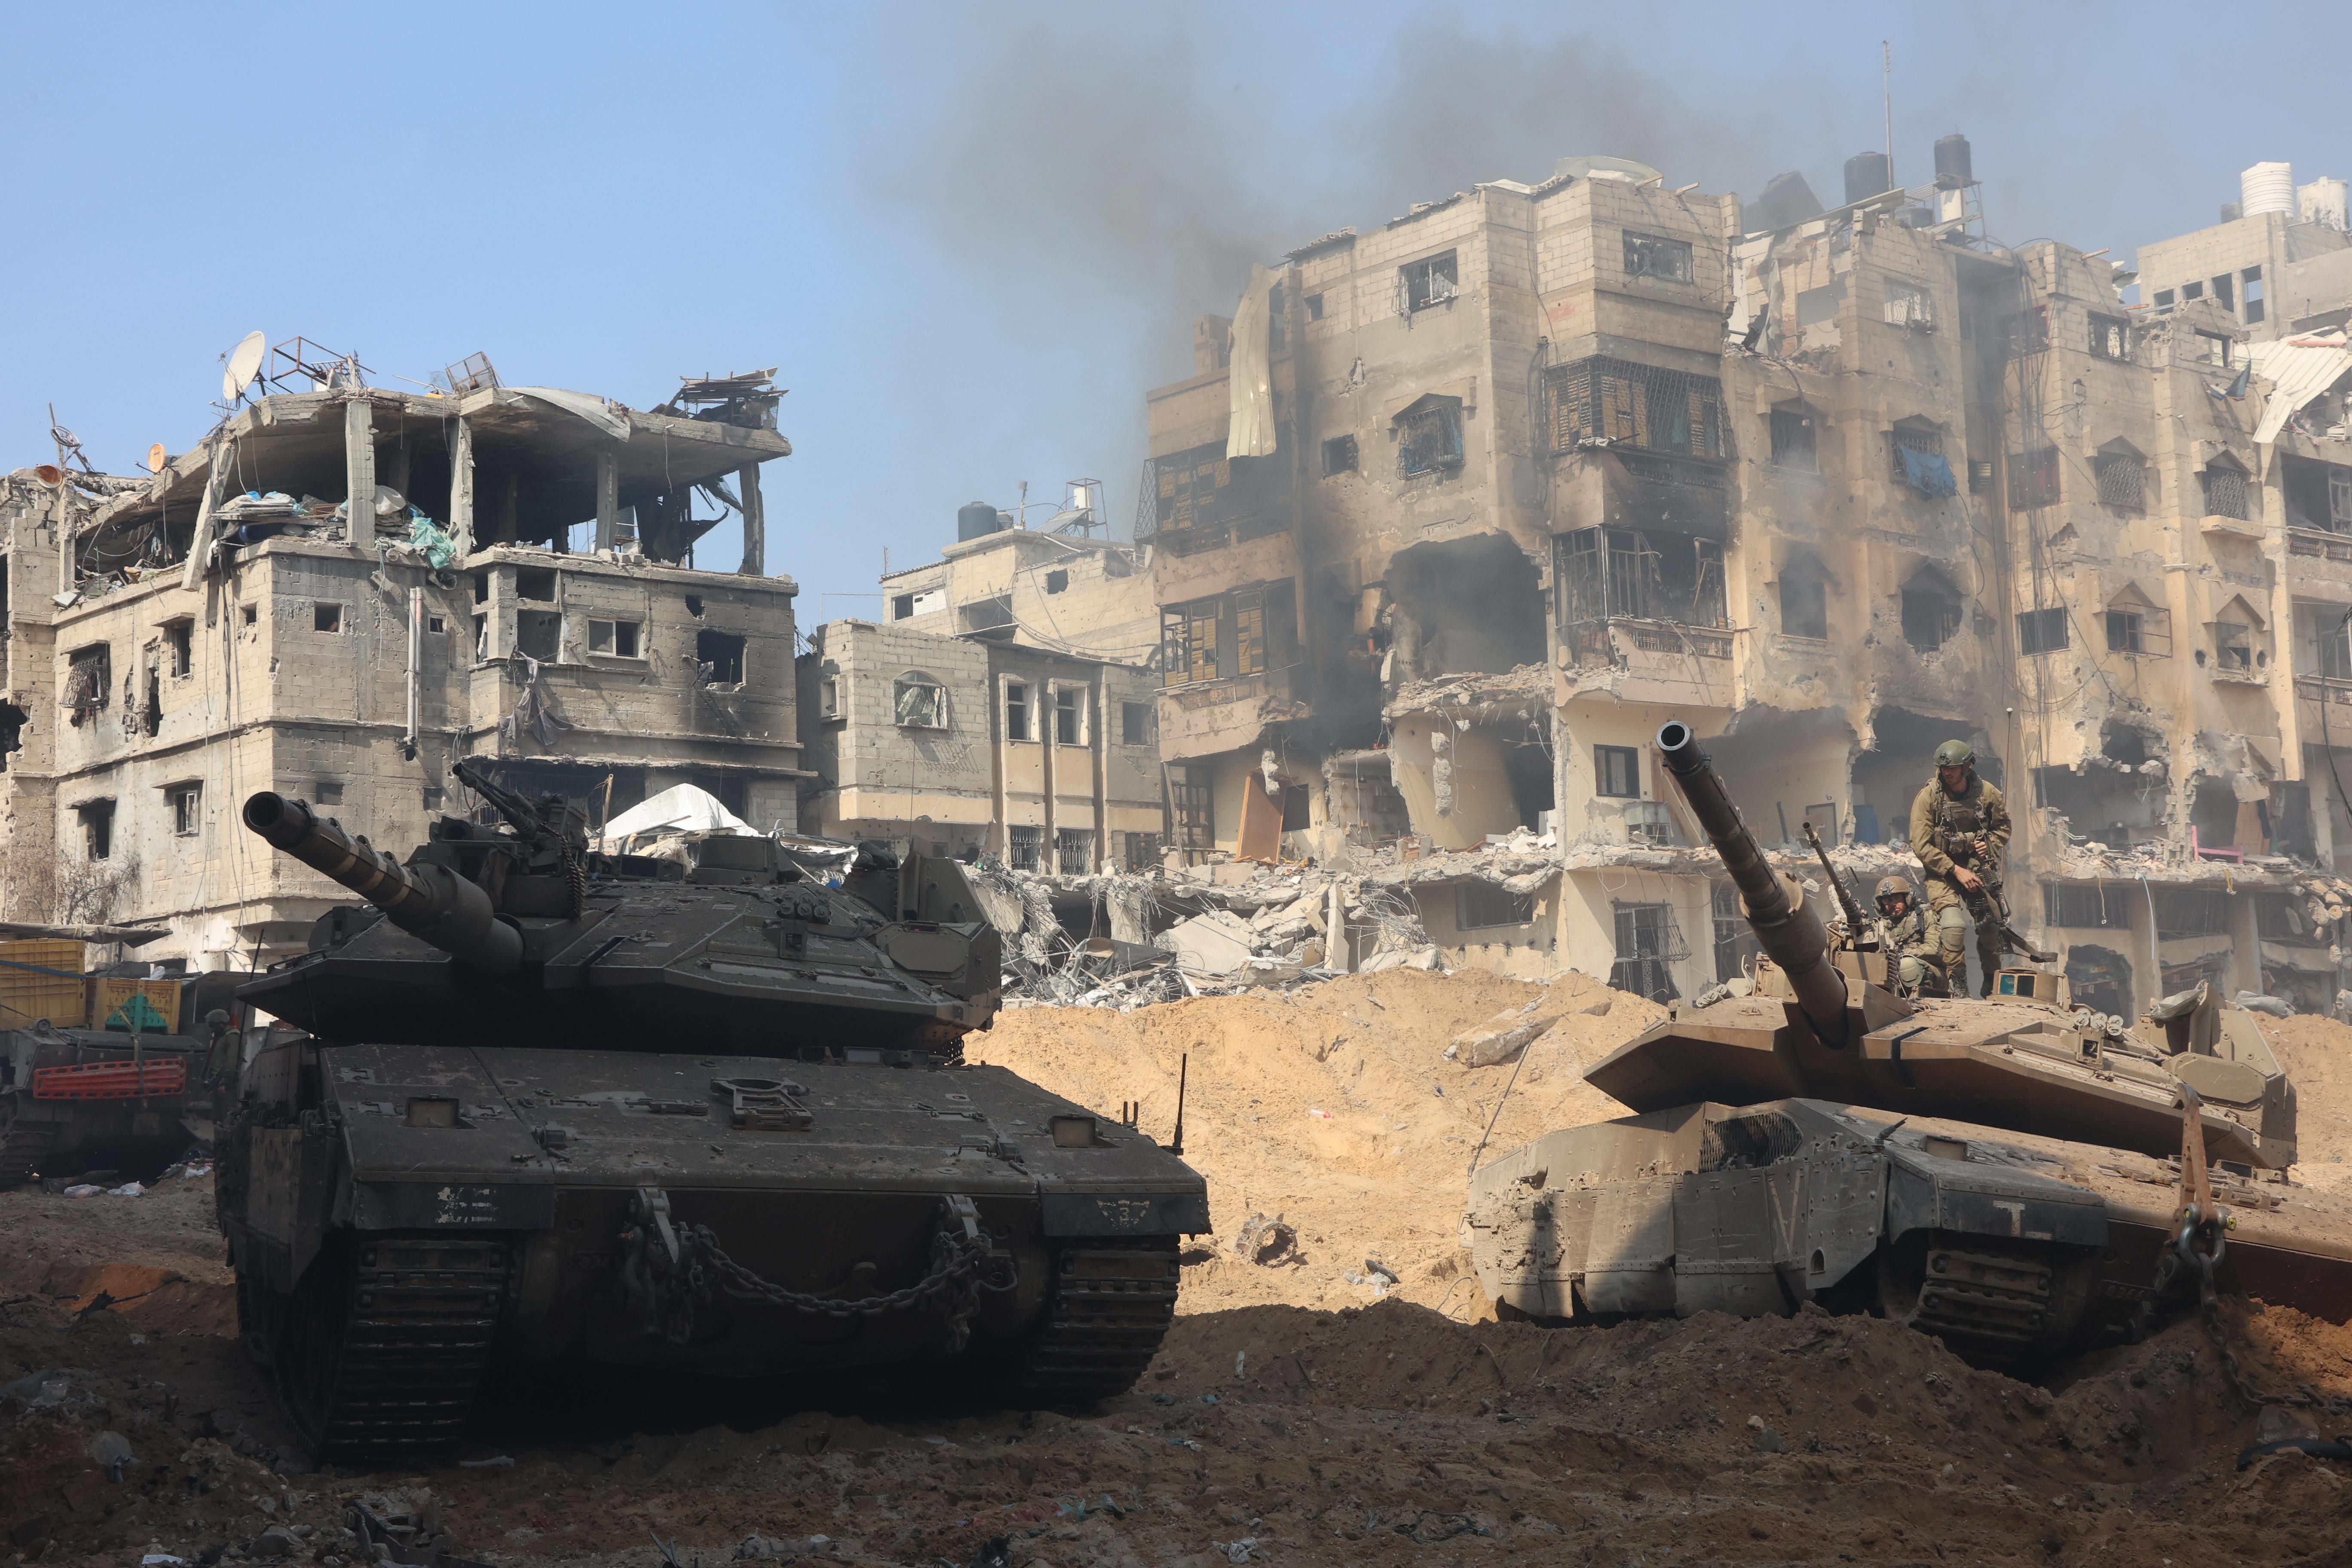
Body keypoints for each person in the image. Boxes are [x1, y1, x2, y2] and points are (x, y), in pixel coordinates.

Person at [1909, 738, 2011, 996]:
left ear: (1967, 766)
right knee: (1953, 926)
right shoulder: (1929, 797)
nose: (1947, 772)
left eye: (1953, 768)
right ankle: (1959, 982)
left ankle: (1991, 982)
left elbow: (2003, 827)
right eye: (1944, 768)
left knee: (1991, 926)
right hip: (1942, 872)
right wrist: (1955, 870)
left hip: (1978, 869)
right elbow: (1921, 846)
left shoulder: (1988, 793)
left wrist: (1989, 845)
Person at [1873, 876, 1939, 995]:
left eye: (1896, 899)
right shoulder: (1880, 925)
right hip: (1894, 972)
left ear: (1907, 898)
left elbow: (1934, 948)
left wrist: (1903, 954)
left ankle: (1918, 999)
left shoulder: (1924, 915)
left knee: (1907, 964)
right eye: (1887, 901)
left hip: (1932, 973)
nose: (1892, 904)